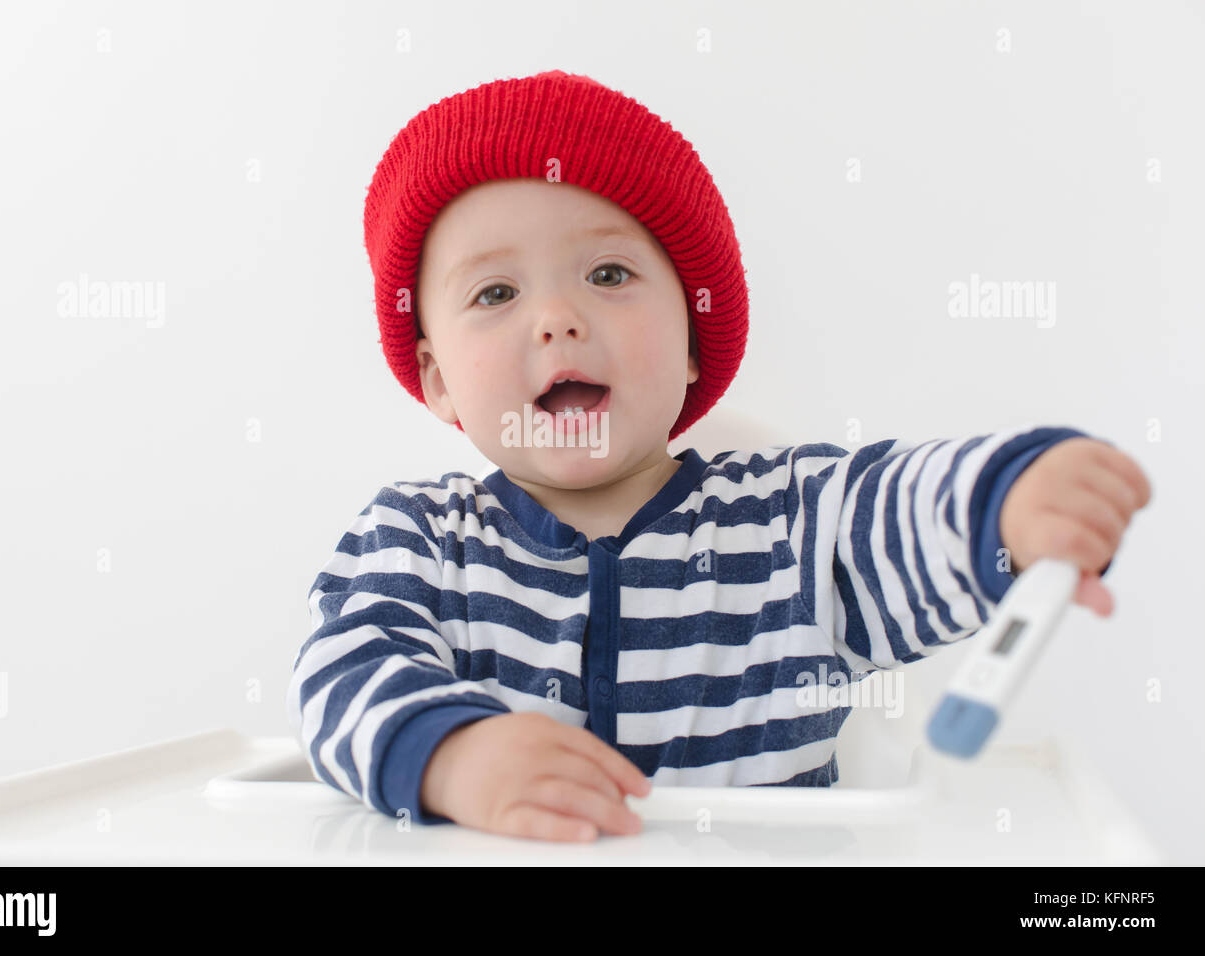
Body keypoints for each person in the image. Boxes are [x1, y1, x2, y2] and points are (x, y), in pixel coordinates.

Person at [286, 70, 1152, 843]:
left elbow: (903, 510)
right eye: (496, 291)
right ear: (438, 378)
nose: (556, 319)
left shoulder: (793, 522)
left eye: (609, 275)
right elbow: (344, 672)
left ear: (693, 338)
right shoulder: (420, 541)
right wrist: (453, 757)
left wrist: (1012, 502)